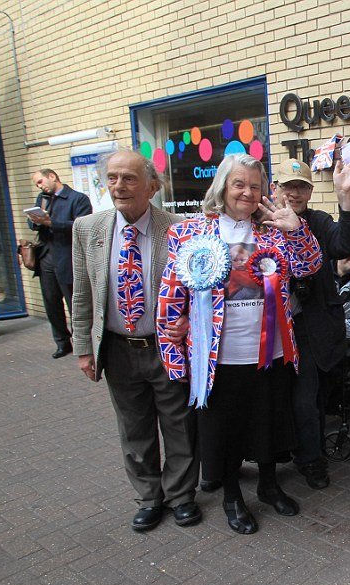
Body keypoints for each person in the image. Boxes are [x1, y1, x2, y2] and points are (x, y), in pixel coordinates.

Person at [157, 153, 323, 535]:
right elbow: (170, 293)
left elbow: (309, 266)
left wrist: (296, 230)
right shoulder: (190, 233)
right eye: (239, 184)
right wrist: (173, 338)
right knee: (227, 429)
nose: (248, 192)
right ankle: (232, 495)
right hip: (221, 356)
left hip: (270, 350)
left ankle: (268, 485)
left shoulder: (272, 230)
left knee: (268, 422)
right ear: (222, 187)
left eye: (255, 185)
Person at [71, 150, 199, 532]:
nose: (118, 186)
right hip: (117, 348)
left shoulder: (179, 228)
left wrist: (190, 320)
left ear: (152, 186)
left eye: (128, 178)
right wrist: (82, 347)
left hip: (166, 348)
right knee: (133, 428)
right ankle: (148, 497)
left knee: (179, 425)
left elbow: (198, 291)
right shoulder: (87, 229)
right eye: (112, 178)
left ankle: (180, 496)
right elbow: (82, 293)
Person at [277, 156, 350, 491]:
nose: (294, 194)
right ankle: (279, 453)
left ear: (310, 191)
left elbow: (347, 243)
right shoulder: (263, 222)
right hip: (270, 327)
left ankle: (312, 460)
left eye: (301, 187)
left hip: (310, 328)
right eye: (288, 186)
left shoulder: (318, 221)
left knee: (307, 399)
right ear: (277, 188)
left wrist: (345, 198)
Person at [30, 168, 93, 357]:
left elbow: (81, 225)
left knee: (75, 302)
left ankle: (83, 342)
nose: (39, 186)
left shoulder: (77, 198)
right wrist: (35, 221)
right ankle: (62, 342)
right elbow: (33, 225)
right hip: (46, 257)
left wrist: (52, 223)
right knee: (51, 302)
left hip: (68, 257)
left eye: (40, 181)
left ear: (52, 176)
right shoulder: (42, 199)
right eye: (36, 185)